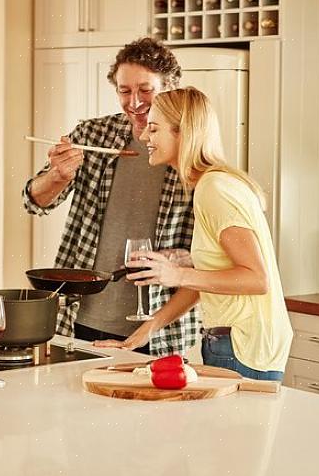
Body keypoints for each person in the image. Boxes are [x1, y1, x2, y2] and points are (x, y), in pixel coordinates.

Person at [95, 87, 293, 381]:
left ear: (182, 133)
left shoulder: (215, 189)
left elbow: (256, 278)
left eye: (154, 129)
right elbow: (205, 281)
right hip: (239, 343)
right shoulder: (212, 184)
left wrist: (178, 274)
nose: (145, 137)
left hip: (241, 347)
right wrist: (141, 336)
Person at [23, 37, 199, 357]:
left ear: (171, 86)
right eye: (124, 90)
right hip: (80, 314)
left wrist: (178, 259)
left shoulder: (189, 148)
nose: (134, 102)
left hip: (158, 327)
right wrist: (57, 176)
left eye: (146, 90)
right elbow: (33, 201)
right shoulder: (92, 135)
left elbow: (209, 254)